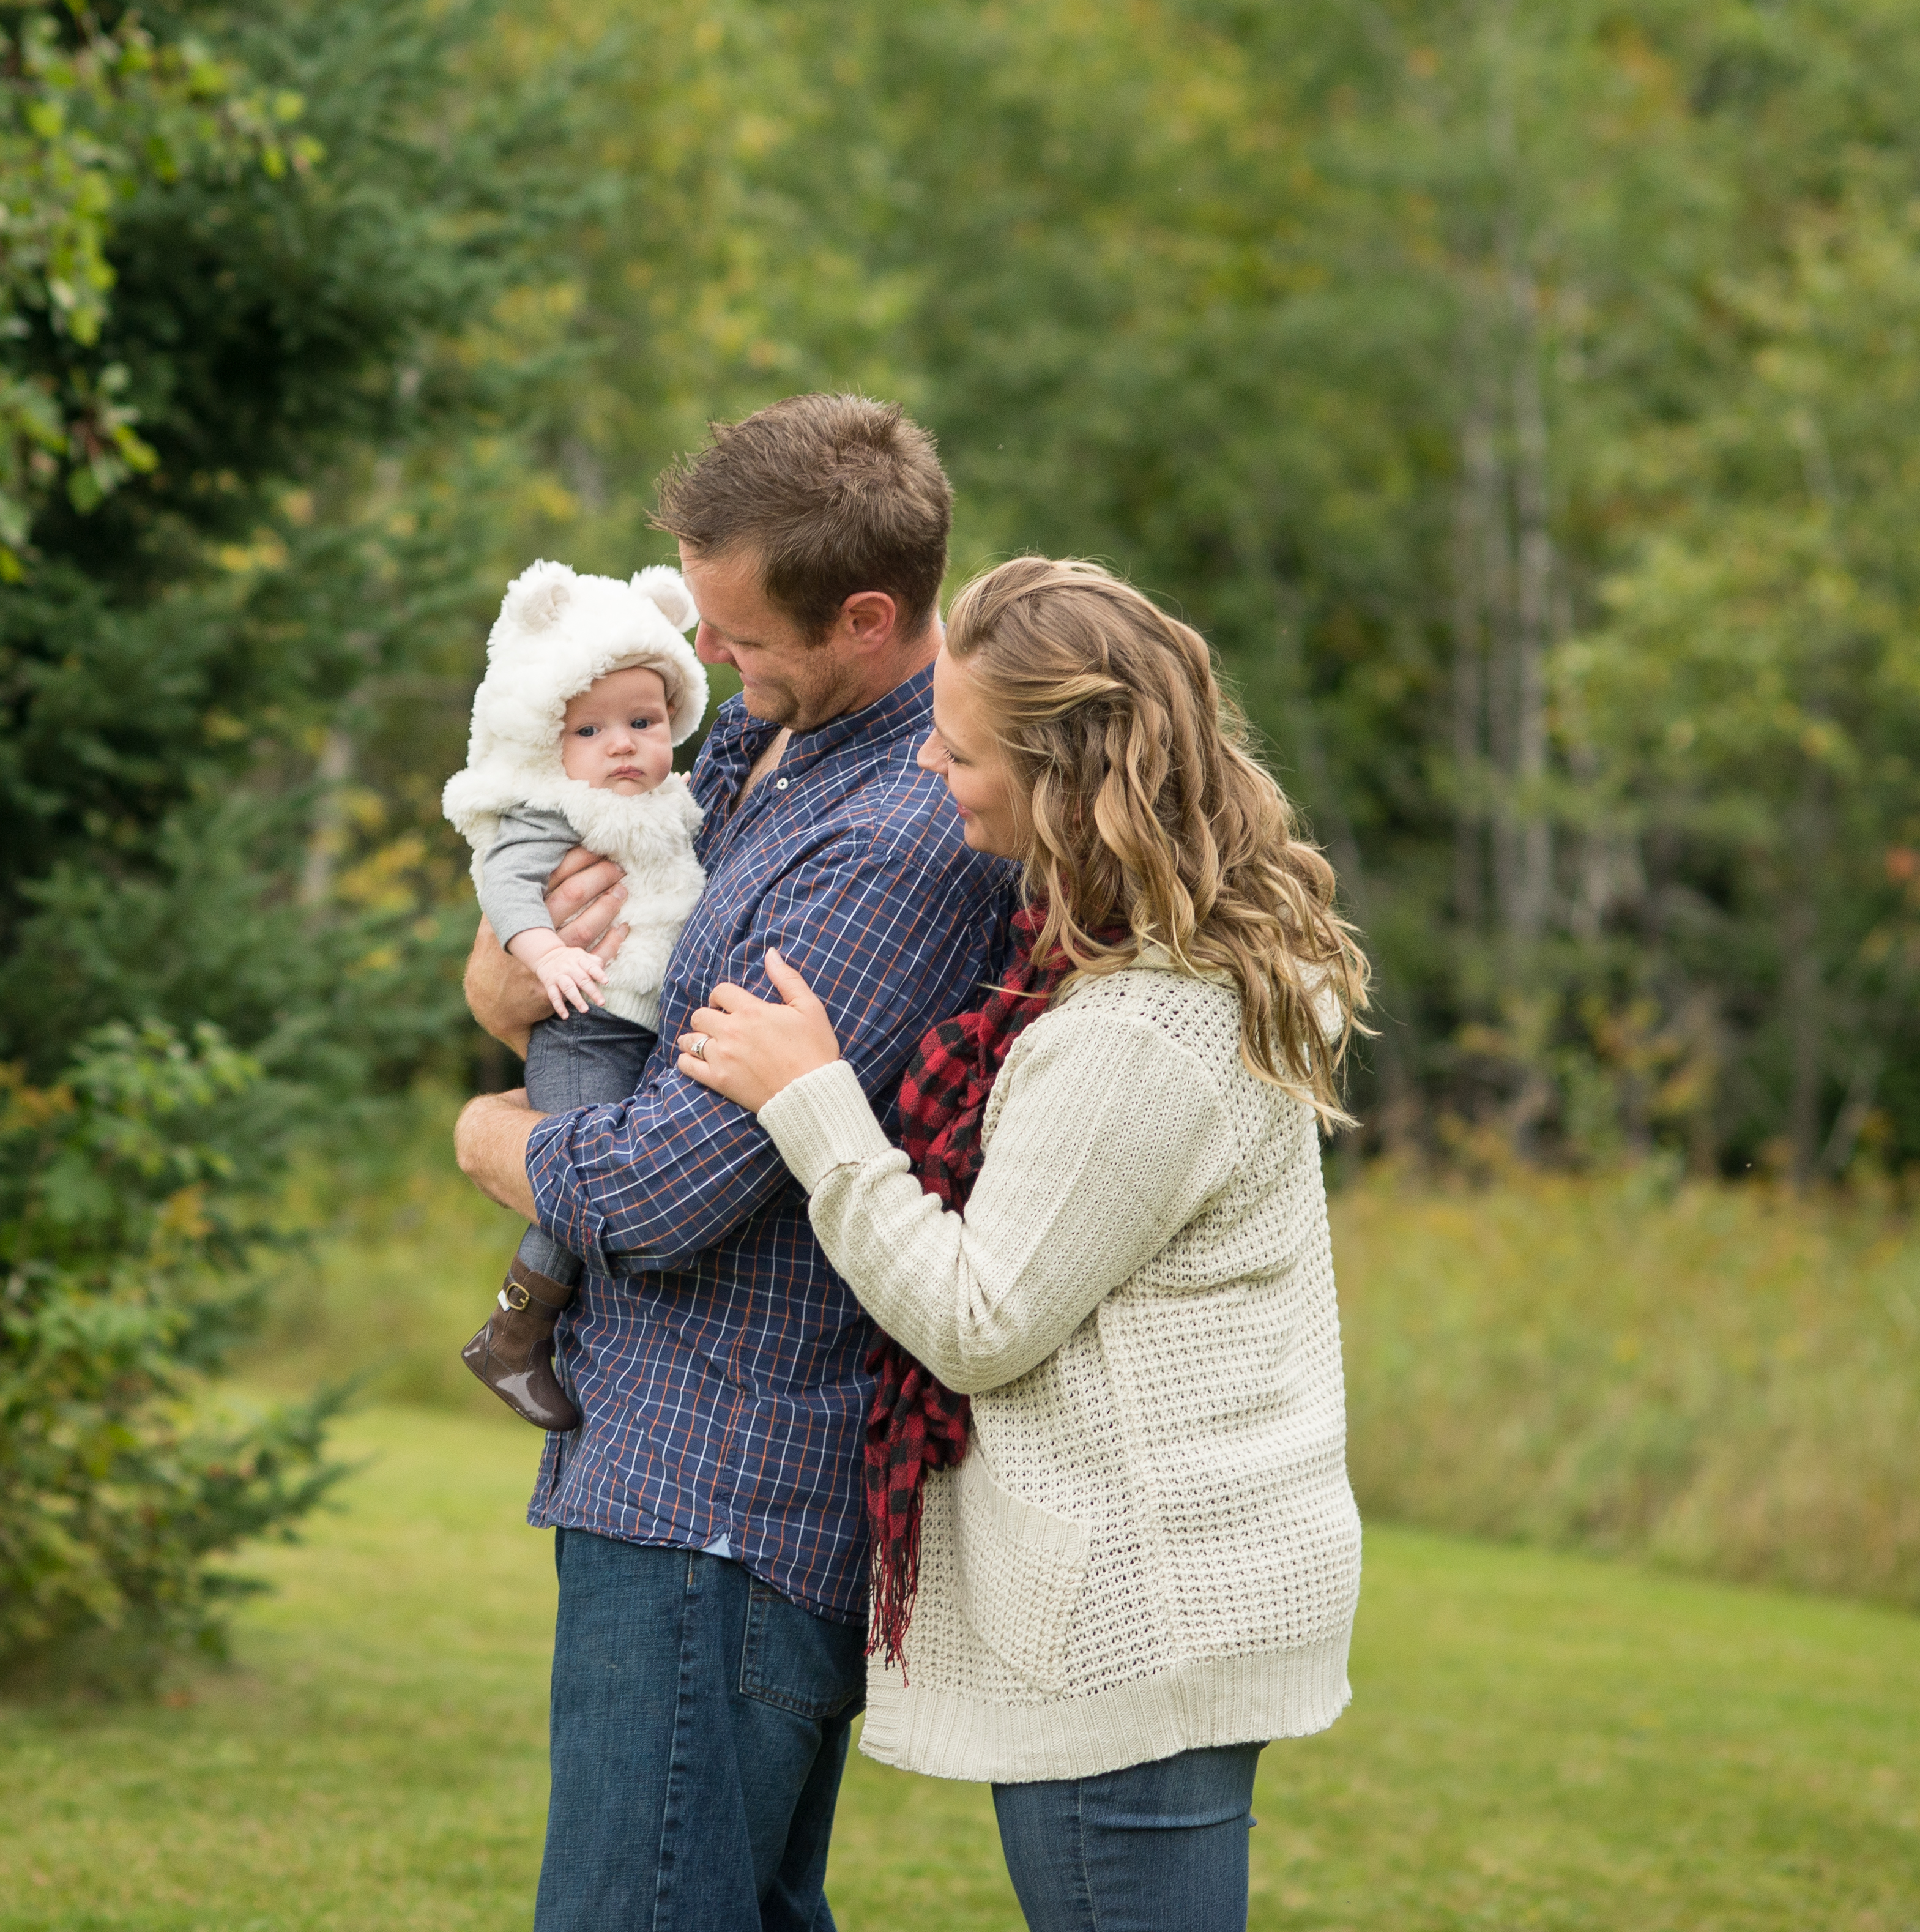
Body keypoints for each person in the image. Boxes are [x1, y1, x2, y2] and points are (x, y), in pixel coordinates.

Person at [674, 554, 1371, 1932]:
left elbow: (978, 1321)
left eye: (961, 743)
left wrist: (812, 1103)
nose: (926, 756)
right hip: (1162, 1588)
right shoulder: (1112, 963)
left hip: (1137, 1611)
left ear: (1066, 776)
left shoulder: (1136, 1032)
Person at [451, 395, 1022, 1932]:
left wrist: (488, 1133)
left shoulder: (897, 839)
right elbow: (559, 950)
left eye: (741, 636)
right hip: (661, 1466)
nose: (711, 670)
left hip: (730, 1492)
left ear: (865, 615)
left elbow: (664, 1190)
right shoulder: (771, 741)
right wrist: (502, 980)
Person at [439, 558, 715, 1429]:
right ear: (553, 743)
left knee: (598, 1172)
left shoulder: (678, 800)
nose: (623, 744)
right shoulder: (552, 810)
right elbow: (507, 884)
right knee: (575, 1184)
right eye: (592, 731)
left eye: (643, 720)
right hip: (584, 1026)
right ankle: (512, 1336)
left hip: (639, 1030)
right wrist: (542, 955)